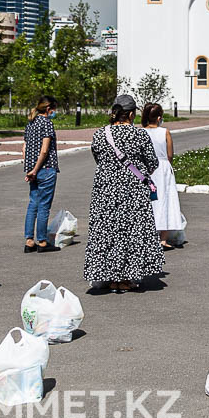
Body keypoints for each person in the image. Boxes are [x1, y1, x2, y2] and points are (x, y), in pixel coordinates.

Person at [83, 94, 166, 293]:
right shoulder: (139, 135)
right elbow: (152, 163)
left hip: (106, 191)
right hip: (133, 192)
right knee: (132, 232)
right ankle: (128, 277)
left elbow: (97, 157)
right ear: (130, 114)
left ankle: (111, 277)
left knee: (108, 232)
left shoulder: (100, 134)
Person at [142, 102, 185, 249]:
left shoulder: (141, 132)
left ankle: (147, 236)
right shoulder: (165, 132)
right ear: (159, 117)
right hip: (163, 167)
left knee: (149, 200)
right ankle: (163, 239)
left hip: (147, 169)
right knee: (165, 200)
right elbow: (170, 154)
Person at [22, 95, 59, 253]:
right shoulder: (47, 123)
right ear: (49, 109)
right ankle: (42, 242)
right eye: (54, 109)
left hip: (32, 169)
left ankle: (29, 241)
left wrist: (30, 169)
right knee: (44, 206)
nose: (54, 112)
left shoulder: (30, 123)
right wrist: (36, 169)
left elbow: (24, 148)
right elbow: (44, 150)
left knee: (32, 205)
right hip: (46, 168)